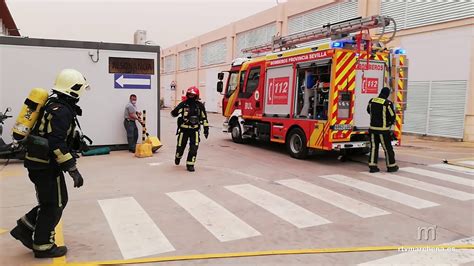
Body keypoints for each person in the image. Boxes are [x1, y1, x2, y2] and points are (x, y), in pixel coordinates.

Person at [10, 69, 89, 258]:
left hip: (39, 164)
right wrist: (72, 169)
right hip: (46, 166)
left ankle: (26, 228)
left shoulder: (52, 105)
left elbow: (49, 132)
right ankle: (43, 246)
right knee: (53, 205)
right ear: (74, 89)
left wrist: (76, 142)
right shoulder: (62, 111)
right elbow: (56, 143)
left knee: (52, 202)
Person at [171, 86, 209, 172]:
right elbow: (173, 114)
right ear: (187, 95)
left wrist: (206, 130)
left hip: (194, 131)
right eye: (190, 94)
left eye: (193, 95)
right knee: (180, 147)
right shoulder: (183, 104)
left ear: (196, 96)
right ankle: (178, 157)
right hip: (183, 130)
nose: (191, 96)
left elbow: (204, 118)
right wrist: (176, 110)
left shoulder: (200, 106)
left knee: (194, 148)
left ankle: (190, 164)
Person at [367, 86, 399, 173]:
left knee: (373, 148)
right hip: (383, 130)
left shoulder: (372, 101)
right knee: (387, 148)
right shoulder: (387, 103)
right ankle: (391, 166)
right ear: (387, 94)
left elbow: (368, 111)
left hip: (372, 129)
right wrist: (389, 123)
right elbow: (392, 116)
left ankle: (373, 167)